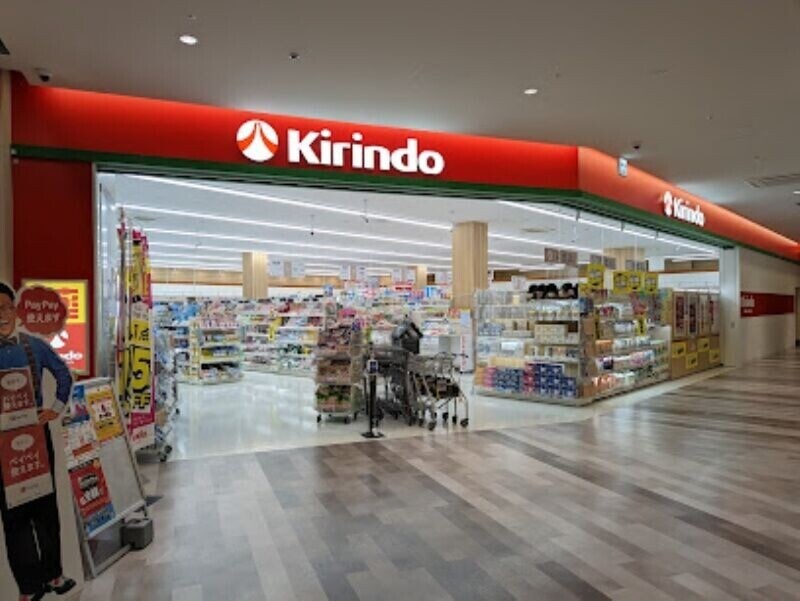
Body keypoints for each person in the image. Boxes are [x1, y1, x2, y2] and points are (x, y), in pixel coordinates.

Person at [0, 283, 76, 601]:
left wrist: (55, 409)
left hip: (35, 436)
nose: (1, 315)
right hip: (3, 443)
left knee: (46, 507)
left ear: (15, 310)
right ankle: (29, 587)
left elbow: (64, 374)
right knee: (13, 514)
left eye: (5, 307)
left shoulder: (34, 346)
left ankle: (53, 574)